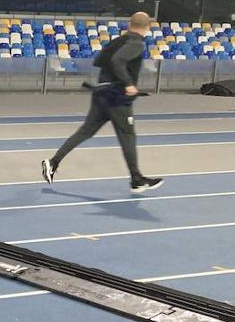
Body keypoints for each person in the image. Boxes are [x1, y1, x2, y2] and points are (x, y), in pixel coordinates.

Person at [42, 11, 164, 193]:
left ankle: (53, 162)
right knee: (127, 136)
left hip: (101, 93)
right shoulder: (136, 43)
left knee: (86, 131)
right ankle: (136, 179)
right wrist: (129, 83)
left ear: (130, 24)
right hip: (117, 98)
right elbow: (118, 60)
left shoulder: (118, 41)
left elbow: (99, 60)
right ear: (147, 28)